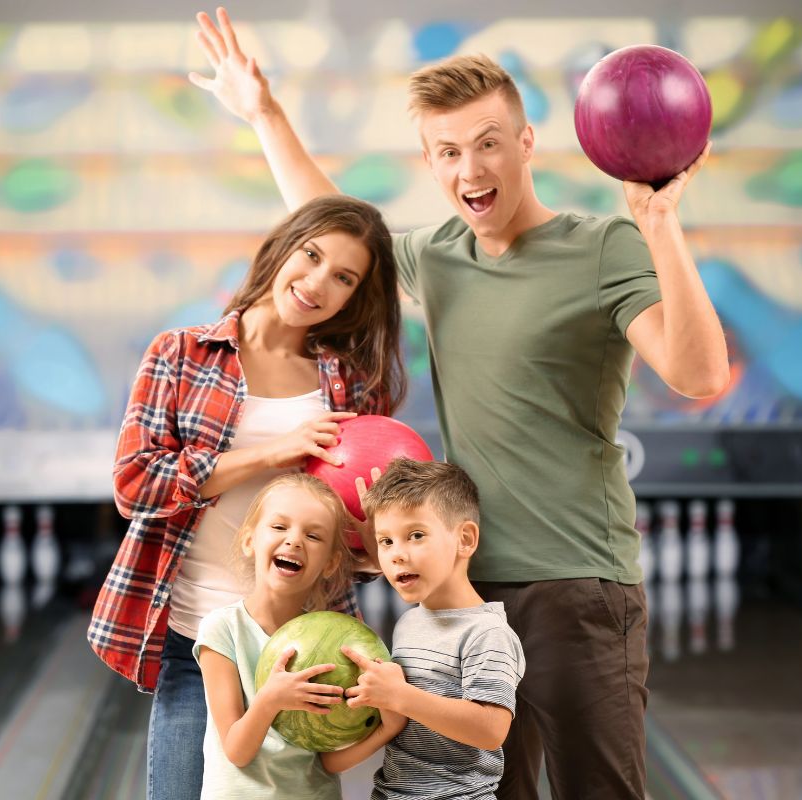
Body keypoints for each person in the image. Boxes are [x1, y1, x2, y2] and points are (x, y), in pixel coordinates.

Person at [189, 9, 729, 798]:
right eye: (448, 151)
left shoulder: (602, 245)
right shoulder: (437, 257)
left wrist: (658, 220)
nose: (470, 167)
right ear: (431, 162)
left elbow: (699, 373)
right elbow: (336, 223)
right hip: (459, 594)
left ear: (524, 144)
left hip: (579, 585)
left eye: (487, 143)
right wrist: (263, 112)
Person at [88, 194, 406, 800]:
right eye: (311, 256)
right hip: (196, 634)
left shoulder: (349, 382)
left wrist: (376, 543)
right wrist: (270, 452)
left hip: (306, 642)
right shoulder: (179, 353)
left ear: (354, 297)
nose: (317, 283)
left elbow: (358, 545)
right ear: (283, 246)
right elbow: (135, 486)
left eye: (343, 277)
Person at [194, 472, 407, 799]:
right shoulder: (223, 629)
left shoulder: (335, 642)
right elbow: (237, 750)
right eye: (279, 527)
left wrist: (388, 728)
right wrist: (271, 699)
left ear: (331, 563)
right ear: (250, 541)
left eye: (313, 536)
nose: (294, 540)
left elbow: (328, 762)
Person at [335, 457, 525, 800]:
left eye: (416, 535)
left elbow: (491, 730)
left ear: (465, 539)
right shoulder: (410, 622)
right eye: (386, 541)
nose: (396, 554)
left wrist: (400, 696)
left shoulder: (486, 634)